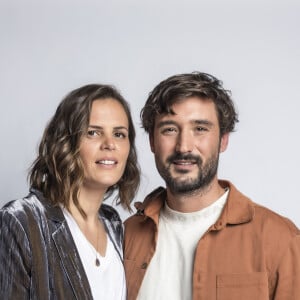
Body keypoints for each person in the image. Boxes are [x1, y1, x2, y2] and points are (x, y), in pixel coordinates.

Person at [123, 72, 300, 300]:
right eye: (170, 129)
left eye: (200, 129)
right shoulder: (126, 237)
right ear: (151, 142)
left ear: (223, 140)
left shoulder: (280, 239)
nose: (184, 146)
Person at [0, 84, 140, 299]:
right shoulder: (22, 220)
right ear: (65, 142)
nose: (110, 144)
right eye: (93, 132)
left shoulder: (114, 225)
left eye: (120, 134)